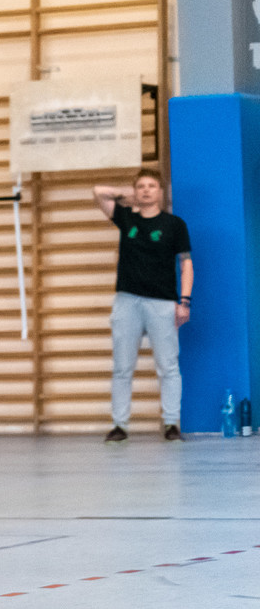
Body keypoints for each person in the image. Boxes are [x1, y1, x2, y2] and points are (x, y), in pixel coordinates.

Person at [93, 169, 191, 442]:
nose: (146, 190)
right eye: (141, 186)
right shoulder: (126, 218)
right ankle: (120, 425)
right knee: (122, 368)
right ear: (135, 191)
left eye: (152, 186)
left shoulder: (175, 224)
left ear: (161, 192)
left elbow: (186, 264)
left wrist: (184, 301)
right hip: (127, 301)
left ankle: (171, 423)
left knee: (168, 366)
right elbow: (99, 192)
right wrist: (128, 195)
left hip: (162, 302)